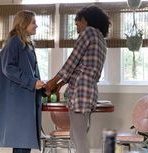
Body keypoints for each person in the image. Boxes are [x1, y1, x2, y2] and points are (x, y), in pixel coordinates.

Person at [45, 5, 111, 153]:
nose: (77, 29)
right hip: (89, 91)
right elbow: (81, 67)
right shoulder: (101, 39)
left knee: (79, 137)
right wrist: (61, 83)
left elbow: (72, 61)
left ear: (85, 20)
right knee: (76, 135)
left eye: (77, 24)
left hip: (80, 91)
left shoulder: (88, 32)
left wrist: (53, 82)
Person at [0, 10, 44, 153]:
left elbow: (32, 71)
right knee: (22, 142)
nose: (36, 26)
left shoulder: (27, 44)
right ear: (24, 23)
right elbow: (8, 69)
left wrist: (41, 86)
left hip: (25, 101)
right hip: (18, 103)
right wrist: (32, 82)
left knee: (24, 143)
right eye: (33, 22)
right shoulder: (14, 42)